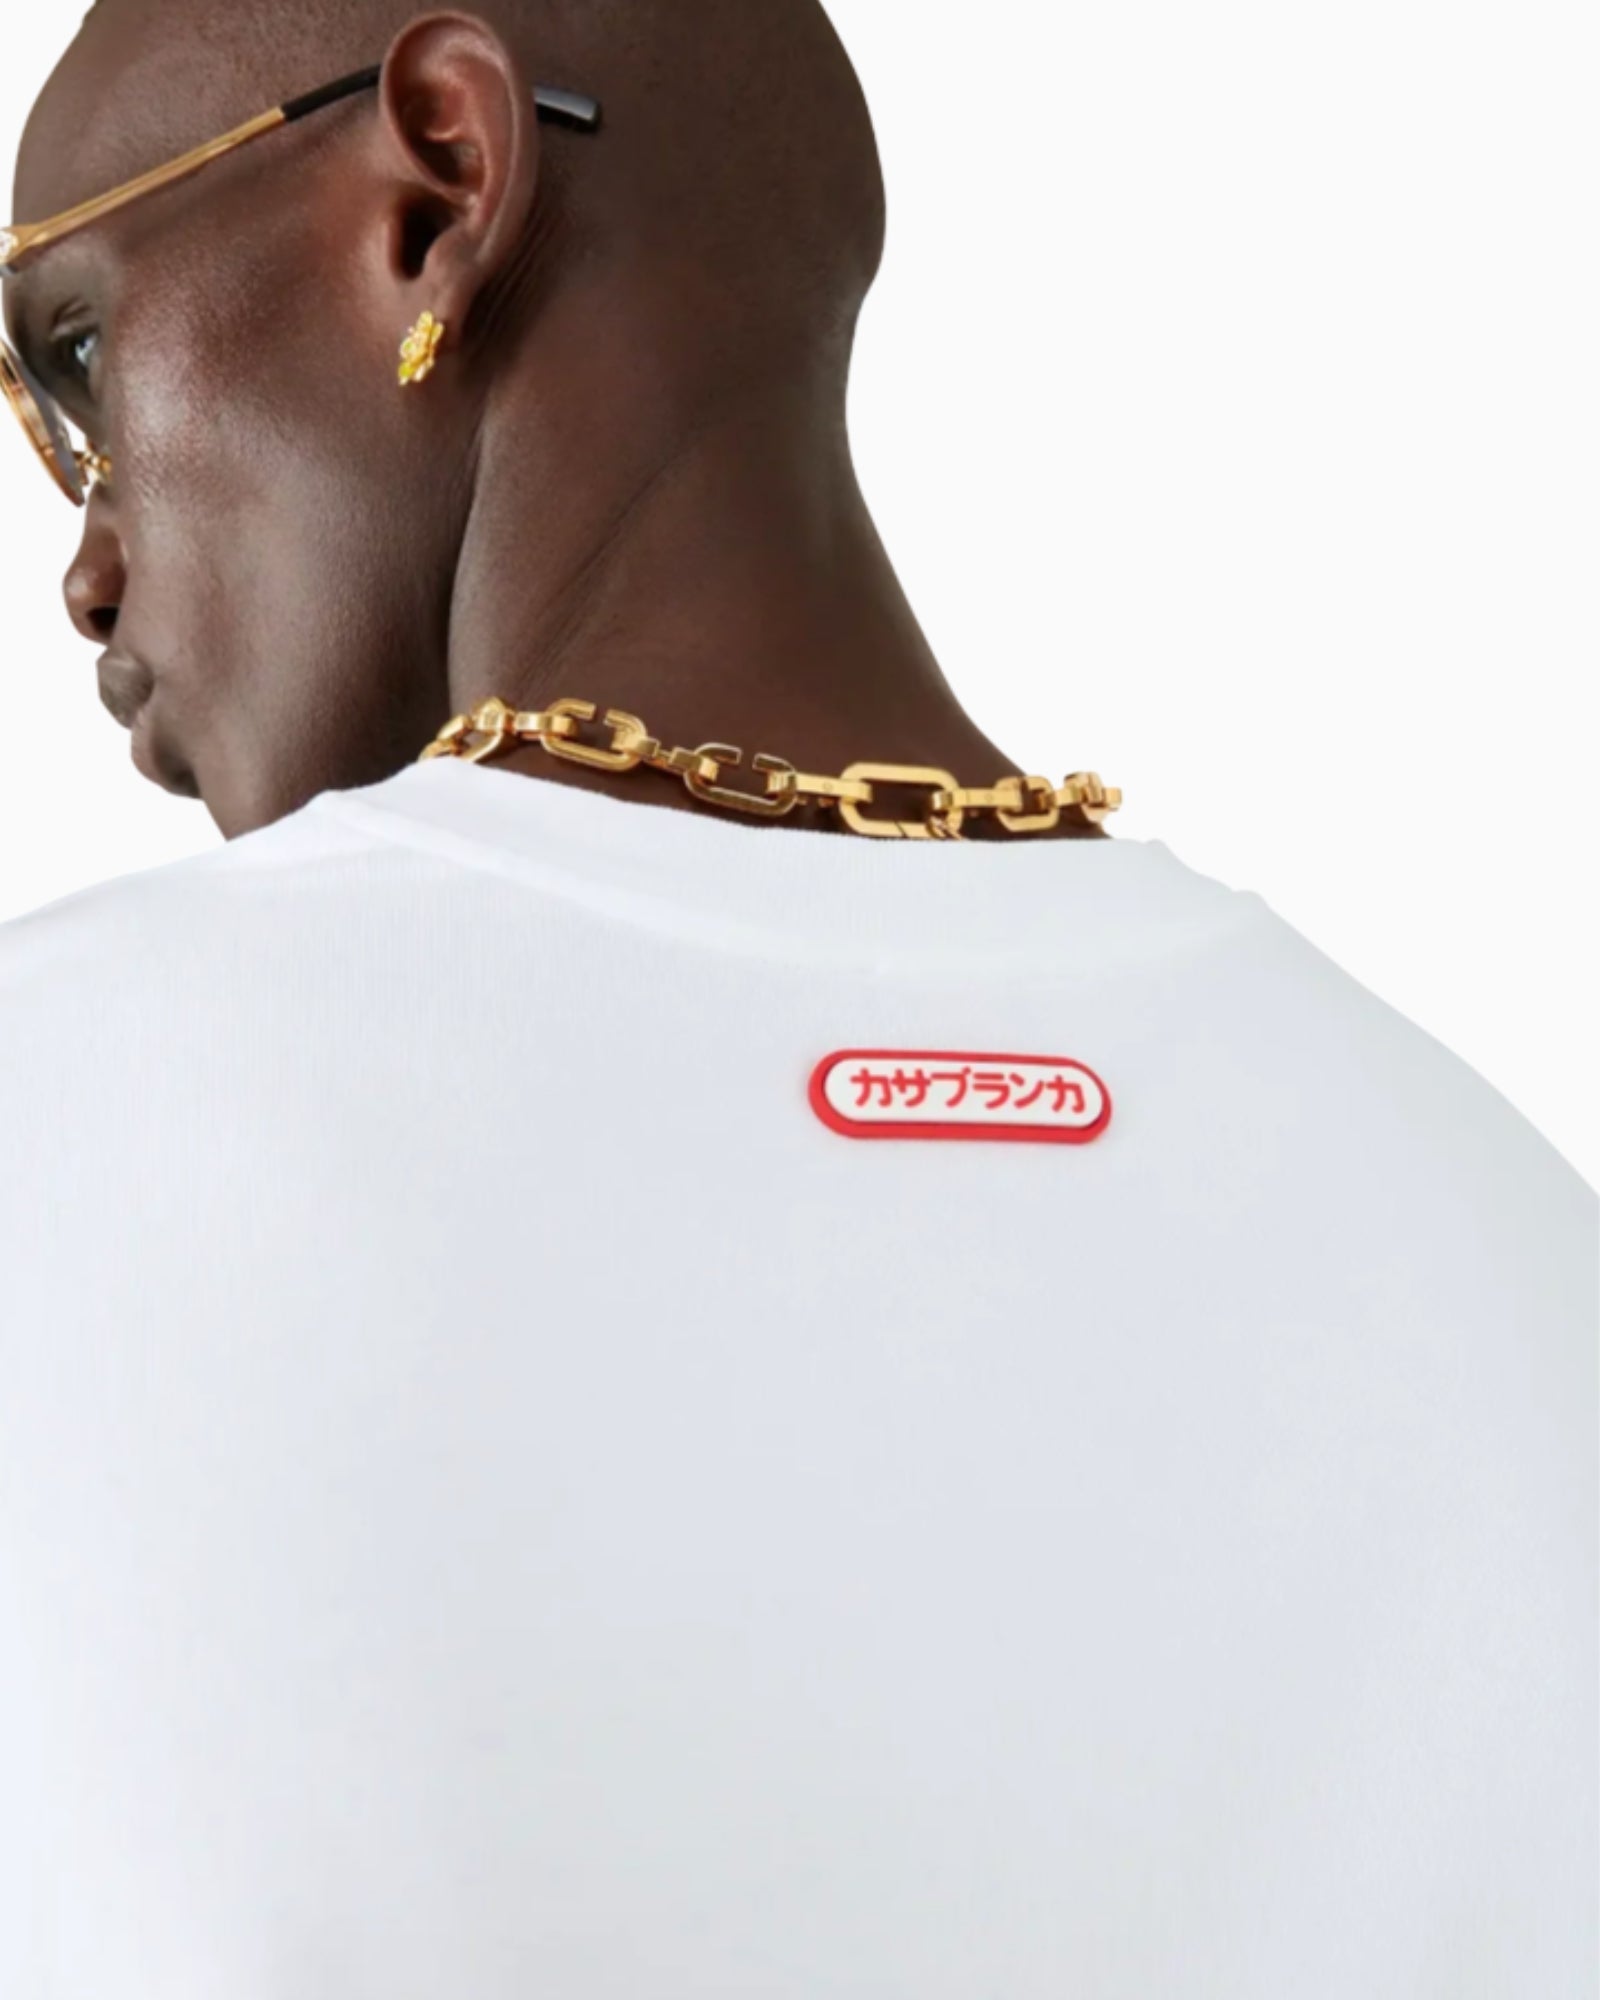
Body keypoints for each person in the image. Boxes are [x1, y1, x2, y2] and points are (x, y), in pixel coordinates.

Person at [0, 0, 1593, 1992]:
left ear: (437, 187)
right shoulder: (1501, 1241)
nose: (81, 569)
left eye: (75, 355)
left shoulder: (54, 1128)